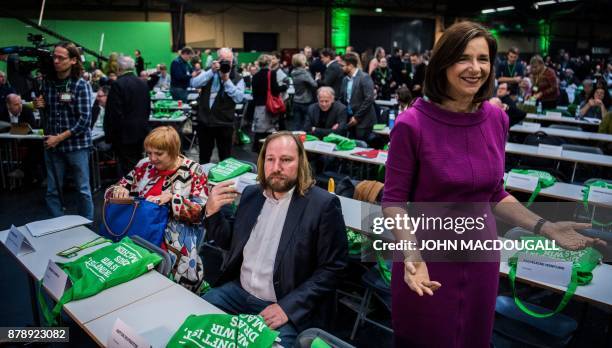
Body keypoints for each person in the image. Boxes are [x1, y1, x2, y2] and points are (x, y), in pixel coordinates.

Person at [382, 21, 604, 348]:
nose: (475, 68)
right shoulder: (411, 124)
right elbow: (394, 201)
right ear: (443, 63)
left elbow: (494, 193)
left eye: (483, 59)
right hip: (426, 260)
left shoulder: (497, 119)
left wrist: (545, 226)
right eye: (464, 58)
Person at [202, 131, 348, 348]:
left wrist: (288, 307)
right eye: (270, 159)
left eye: (286, 160)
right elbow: (229, 242)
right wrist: (212, 212)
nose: (276, 167)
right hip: (237, 293)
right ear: (262, 162)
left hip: (282, 304)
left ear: (300, 163)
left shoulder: (323, 205)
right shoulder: (252, 194)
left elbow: (333, 268)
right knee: (193, 319)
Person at [106, 126, 208, 292]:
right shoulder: (144, 166)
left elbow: (201, 213)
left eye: (158, 154)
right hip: (138, 229)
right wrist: (120, 190)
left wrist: (172, 199)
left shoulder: (192, 171)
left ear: (173, 151)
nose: (152, 158)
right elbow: (117, 187)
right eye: (149, 153)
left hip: (172, 236)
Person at [33, 42, 94, 220]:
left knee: (83, 190)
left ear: (73, 60)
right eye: (54, 57)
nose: (56, 61)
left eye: (61, 58)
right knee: (53, 190)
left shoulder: (80, 85)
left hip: (77, 146)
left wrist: (59, 138)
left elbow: (84, 120)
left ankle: (87, 228)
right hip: (53, 145)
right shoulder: (48, 83)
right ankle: (58, 226)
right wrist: (39, 105)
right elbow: (47, 113)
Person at [190, 47, 245, 164]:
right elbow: (194, 83)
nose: (226, 63)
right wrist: (211, 71)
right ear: (217, 60)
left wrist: (227, 81)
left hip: (225, 124)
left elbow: (239, 98)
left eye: (229, 60)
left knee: (225, 159)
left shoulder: (237, 77)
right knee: (204, 158)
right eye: (223, 60)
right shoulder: (209, 71)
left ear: (233, 61)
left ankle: (225, 182)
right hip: (205, 122)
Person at [104, 55, 151, 176]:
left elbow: (114, 114)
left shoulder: (117, 85)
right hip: (141, 133)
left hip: (123, 136)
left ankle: (129, 193)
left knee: (127, 171)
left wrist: (110, 135)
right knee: (138, 166)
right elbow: (147, 109)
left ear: (119, 68)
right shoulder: (143, 83)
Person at [251, 54, 287, 150]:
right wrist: (284, 86)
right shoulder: (272, 74)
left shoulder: (255, 76)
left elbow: (254, 94)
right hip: (269, 106)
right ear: (270, 63)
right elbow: (275, 90)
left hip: (259, 107)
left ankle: (260, 152)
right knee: (271, 131)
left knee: (260, 132)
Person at [339, 52, 376, 141]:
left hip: (364, 120)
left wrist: (357, 117)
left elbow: (369, 99)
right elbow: (342, 99)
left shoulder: (364, 77)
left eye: (342, 65)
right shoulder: (345, 79)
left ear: (350, 66)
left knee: (362, 149)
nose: (341, 68)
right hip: (350, 119)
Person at [290, 53, 317, 131]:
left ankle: (295, 140)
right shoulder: (304, 73)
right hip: (306, 101)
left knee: (296, 123)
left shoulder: (293, 72)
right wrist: (317, 78)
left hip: (296, 100)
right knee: (306, 124)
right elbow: (314, 84)